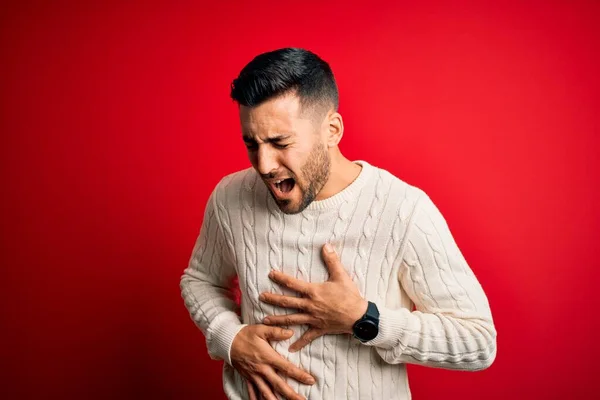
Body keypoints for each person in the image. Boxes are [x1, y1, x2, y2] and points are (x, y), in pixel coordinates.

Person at [180, 47, 497, 400]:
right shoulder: (230, 196)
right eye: (251, 143)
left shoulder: (403, 210)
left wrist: (365, 320)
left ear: (331, 130)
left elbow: (478, 342)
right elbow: (200, 280)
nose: (264, 164)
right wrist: (230, 337)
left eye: (280, 142)